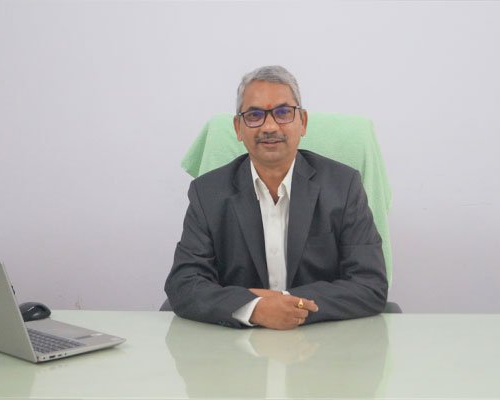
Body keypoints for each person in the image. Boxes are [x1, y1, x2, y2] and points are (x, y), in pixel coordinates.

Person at [165, 65, 388, 330]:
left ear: (303, 122)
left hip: (322, 340)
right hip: (234, 347)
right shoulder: (208, 193)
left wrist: (284, 304)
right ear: (238, 128)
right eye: (254, 115)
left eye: (283, 113)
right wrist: (255, 309)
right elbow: (184, 284)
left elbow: (370, 285)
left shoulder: (343, 186)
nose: (270, 126)